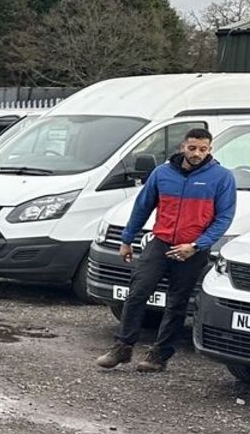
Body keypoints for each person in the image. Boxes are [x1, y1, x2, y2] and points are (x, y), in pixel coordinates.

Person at [98, 126, 238, 372]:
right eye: (192, 148)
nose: (197, 153)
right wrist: (126, 239)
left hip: (192, 250)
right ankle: (123, 347)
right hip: (160, 243)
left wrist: (196, 246)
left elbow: (224, 218)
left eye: (203, 149)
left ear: (210, 149)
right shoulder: (162, 174)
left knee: (177, 303)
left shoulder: (222, 177)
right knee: (137, 292)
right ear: (182, 146)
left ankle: (159, 355)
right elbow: (142, 206)